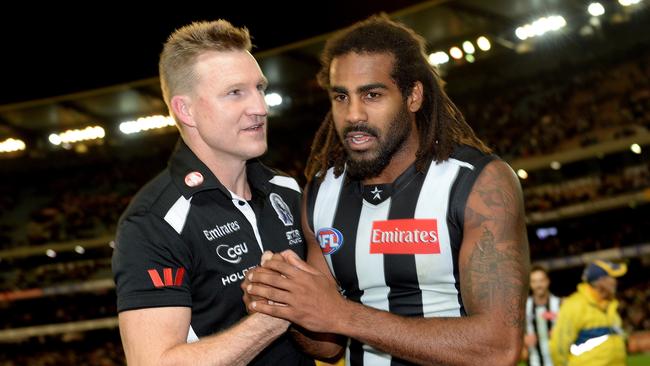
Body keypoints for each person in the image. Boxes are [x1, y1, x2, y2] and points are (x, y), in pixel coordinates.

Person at [243, 14, 530, 366]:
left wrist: (343, 315)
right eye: (341, 97)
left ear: (413, 96)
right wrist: (282, 302)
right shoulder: (321, 193)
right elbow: (329, 346)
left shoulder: (477, 184)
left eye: (373, 94)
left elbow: (499, 348)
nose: (353, 115)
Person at [111, 20, 313, 366]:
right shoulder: (154, 221)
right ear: (185, 110)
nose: (261, 108)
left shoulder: (287, 190)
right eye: (235, 93)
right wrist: (272, 318)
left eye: (259, 88)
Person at [549, 260, 627, 366]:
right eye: (612, 277)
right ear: (600, 281)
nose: (615, 281)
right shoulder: (574, 305)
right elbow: (558, 348)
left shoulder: (610, 305)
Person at [524, 265, 561, 366]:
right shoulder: (524, 307)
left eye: (541, 280)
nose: (538, 285)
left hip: (560, 361)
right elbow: (513, 331)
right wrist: (523, 339)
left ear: (547, 281)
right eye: (534, 281)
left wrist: (560, 333)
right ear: (530, 284)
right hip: (534, 361)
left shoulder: (559, 304)